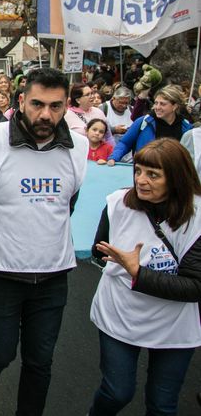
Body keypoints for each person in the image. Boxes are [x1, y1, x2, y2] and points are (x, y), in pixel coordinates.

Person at [0, 68, 89, 416]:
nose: (45, 114)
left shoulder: (79, 149)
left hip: (53, 276)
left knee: (40, 361)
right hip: (1, 275)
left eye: (55, 106)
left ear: (67, 106)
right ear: (21, 101)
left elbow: (68, 204)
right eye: (37, 104)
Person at [88, 138, 201, 415]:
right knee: (117, 392)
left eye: (153, 174)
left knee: (162, 405)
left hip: (173, 324)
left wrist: (138, 271)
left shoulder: (197, 216)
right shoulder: (118, 204)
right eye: (138, 170)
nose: (141, 180)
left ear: (176, 177)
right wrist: (115, 262)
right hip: (120, 313)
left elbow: (194, 286)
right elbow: (99, 247)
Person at [108, 85, 192, 165]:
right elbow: (125, 143)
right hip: (145, 173)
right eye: (156, 103)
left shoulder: (186, 127)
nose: (157, 107)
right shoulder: (143, 122)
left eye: (162, 104)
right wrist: (114, 157)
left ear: (175, 106)